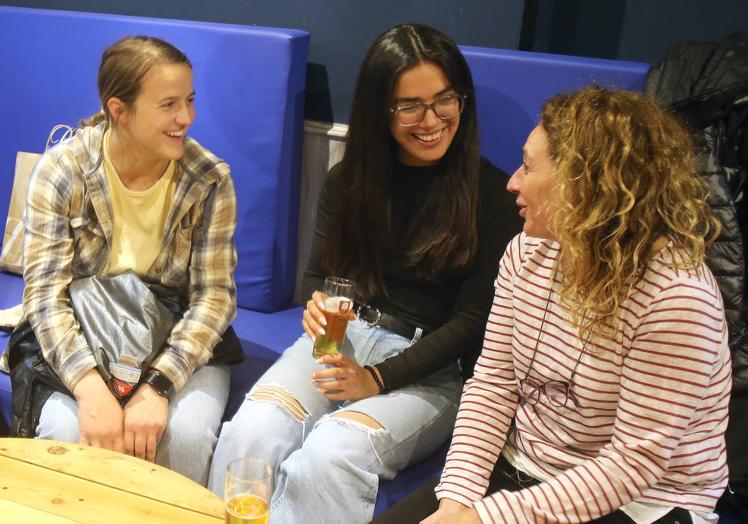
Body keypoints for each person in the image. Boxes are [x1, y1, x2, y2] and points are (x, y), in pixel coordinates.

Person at [208, 23, 523, 522]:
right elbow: (317, 277)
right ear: (380, 109)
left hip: (431, 371)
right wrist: (315, 309)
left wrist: (376, 378)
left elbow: (471, 326)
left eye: (446, 100)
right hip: (339, 341)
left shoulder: (494, 197)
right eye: (409, 105)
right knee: (252, 433)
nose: (432, 119)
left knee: (332, 454)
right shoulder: (348, 179)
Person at [374, 86, 731, 524]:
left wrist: (485, 519)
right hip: (530, 467)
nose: (513, 181)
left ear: (589, 186)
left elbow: (635, 463)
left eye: (528, 166)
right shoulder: (528, 251)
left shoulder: (676, 297)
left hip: (642, 501)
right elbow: (493, 384)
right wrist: (456, 502)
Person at [12, 36, 239, 486]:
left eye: (190, 101)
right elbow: (44, 297)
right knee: (67, 430)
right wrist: (90, 387)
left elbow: (214, 297)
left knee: (186, 436)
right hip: (82, 332)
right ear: (119, 109)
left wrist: (158, 386)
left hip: (169, 332)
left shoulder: (209, 179)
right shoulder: (63, 172)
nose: (186, 118)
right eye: (169, 104)